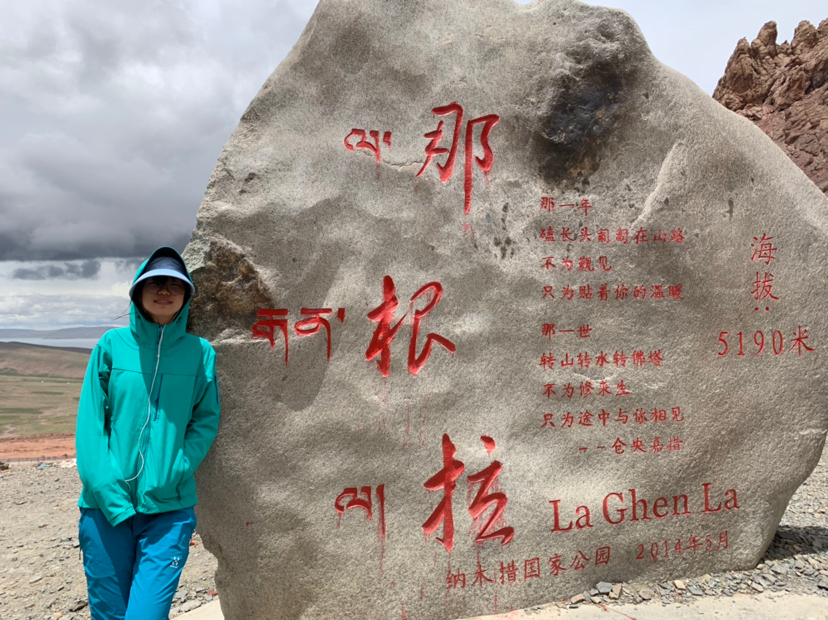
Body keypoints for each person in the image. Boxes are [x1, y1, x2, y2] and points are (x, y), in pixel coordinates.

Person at [75, 247, 220, 620]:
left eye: (176, 284)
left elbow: (205, 419)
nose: (165, 290)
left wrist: (178, 467)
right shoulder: (111, 346)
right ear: (138, 291)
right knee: (109, 615)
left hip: (169, 510)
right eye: (155, 282)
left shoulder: (200, 353)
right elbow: (90, 425)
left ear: (187, 295)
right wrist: (108, 493)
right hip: (105, 509)